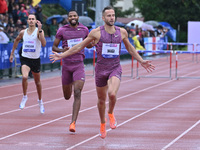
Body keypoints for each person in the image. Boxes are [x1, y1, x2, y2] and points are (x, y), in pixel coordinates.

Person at [49, 6, 155, 138]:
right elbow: (79, 46)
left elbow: (130, 48)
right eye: (109, 15)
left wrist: (141, 60)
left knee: (111, 93)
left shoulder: (122, 32)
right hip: (100, 69)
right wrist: (62, 55)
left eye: (113, 15)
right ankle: (102, 123)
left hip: (114, 67)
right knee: (101, 100)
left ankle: (110, 113)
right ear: (103, 18)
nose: (112, 18)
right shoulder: (96, 33)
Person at [52, 10, 94, 133]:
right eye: (70, 16)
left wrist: (93, 42)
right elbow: (54, 47)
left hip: (78, 65)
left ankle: (73, 122)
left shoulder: (84, 30)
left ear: (78, 17)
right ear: (68, 18)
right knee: (66, 96)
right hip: (66, 66)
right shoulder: (62, 30)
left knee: (77, 92)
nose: (73, 17)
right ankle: (69, 82)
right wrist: (61, 50)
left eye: (74, 16)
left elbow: (88, 45)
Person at [9, 14, 46, 114]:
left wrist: (40, 30)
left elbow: (43, 44)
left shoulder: (38, 32)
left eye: (32, 19)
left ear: (35, 21)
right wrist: (12, 53)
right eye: (29, 19)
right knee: (24, 77)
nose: (30, 20)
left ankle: (40, 101)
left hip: (35, 60)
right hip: (25, 58)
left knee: (37, 82)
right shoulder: (23, 32)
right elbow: (16, 40)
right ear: (27, 21)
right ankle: (25, 97)